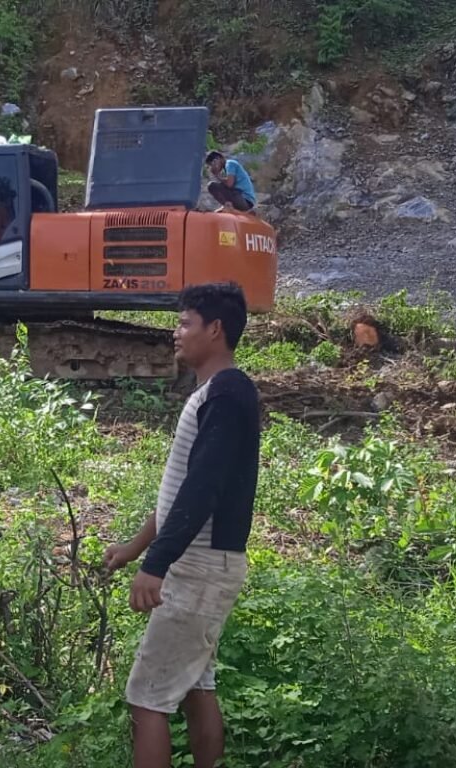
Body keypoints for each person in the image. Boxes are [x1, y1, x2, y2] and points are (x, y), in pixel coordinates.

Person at [105, 282, 260, 768]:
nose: (176, 332)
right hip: (202, 561)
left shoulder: (228, 393)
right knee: (196, 685)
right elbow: (180, 492)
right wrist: (134, 547)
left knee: (146, 699)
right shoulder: (214, 393)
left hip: (200, 565)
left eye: (185, 323)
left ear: (215, 330)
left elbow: (202, 489)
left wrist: (156, 565)